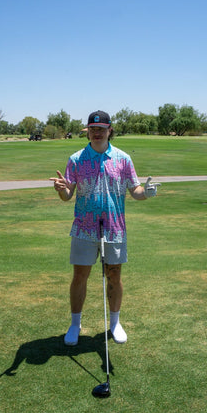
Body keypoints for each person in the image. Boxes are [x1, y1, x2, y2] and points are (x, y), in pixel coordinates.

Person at [50, 110, 160, 346]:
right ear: (88, 131)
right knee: (80, 276)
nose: (97, 133)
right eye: (93, 129)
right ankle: (75, 324)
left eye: (101, 129)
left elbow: (135, 190)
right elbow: (68, 195)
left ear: (110, 130)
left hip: (114, 228)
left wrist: (147, 192)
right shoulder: (76, 159)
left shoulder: (123, 159)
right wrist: (61, 189)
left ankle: (115, 323)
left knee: (114, 276)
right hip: (84, 228)